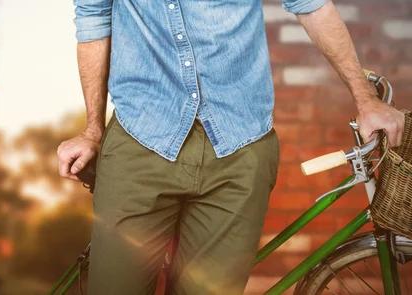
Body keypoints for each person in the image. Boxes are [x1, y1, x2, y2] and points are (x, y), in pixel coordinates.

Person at [57, 0, 405, 294]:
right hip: (141, 140)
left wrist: (365, 100)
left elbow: (312, 5)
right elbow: (93, 18)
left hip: (240, 146)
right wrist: (92, 130)